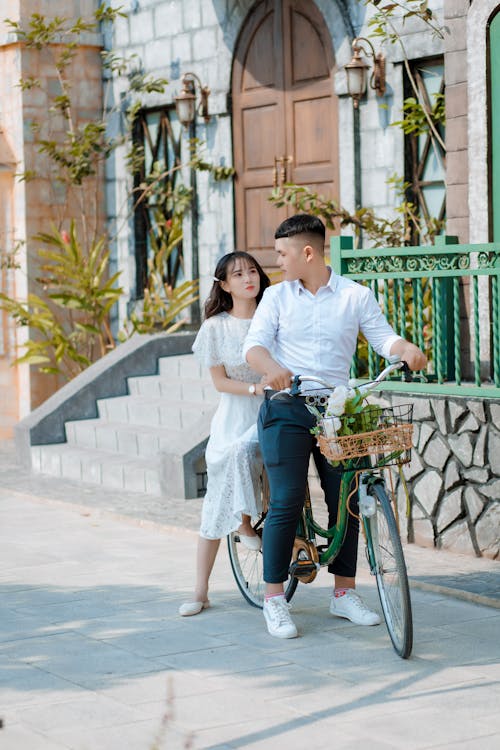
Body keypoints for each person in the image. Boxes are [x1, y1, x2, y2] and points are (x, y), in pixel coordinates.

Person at [243, 214, 427, 638]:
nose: (278, 262)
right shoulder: (276, 298)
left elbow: (384, 339)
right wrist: (272, 369)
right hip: (286, 405)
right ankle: (274, 599)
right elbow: (254, 346)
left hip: (338, 411)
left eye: (283, 254)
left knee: (347, 498)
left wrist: (407, 348)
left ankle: (344, 593)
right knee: (288, 498)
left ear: (307, 252)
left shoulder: (354, 295)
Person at [179, 251, 271, 617]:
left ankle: (262, 537)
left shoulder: (271, 316)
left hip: (272, 409)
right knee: (216, 499)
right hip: (236, 413)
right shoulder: (216, 326)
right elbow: (219, 382)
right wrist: (254, 389)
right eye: (238, 274)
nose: (248, 278)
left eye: (252, 271)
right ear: (224, 284)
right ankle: (200, 591)